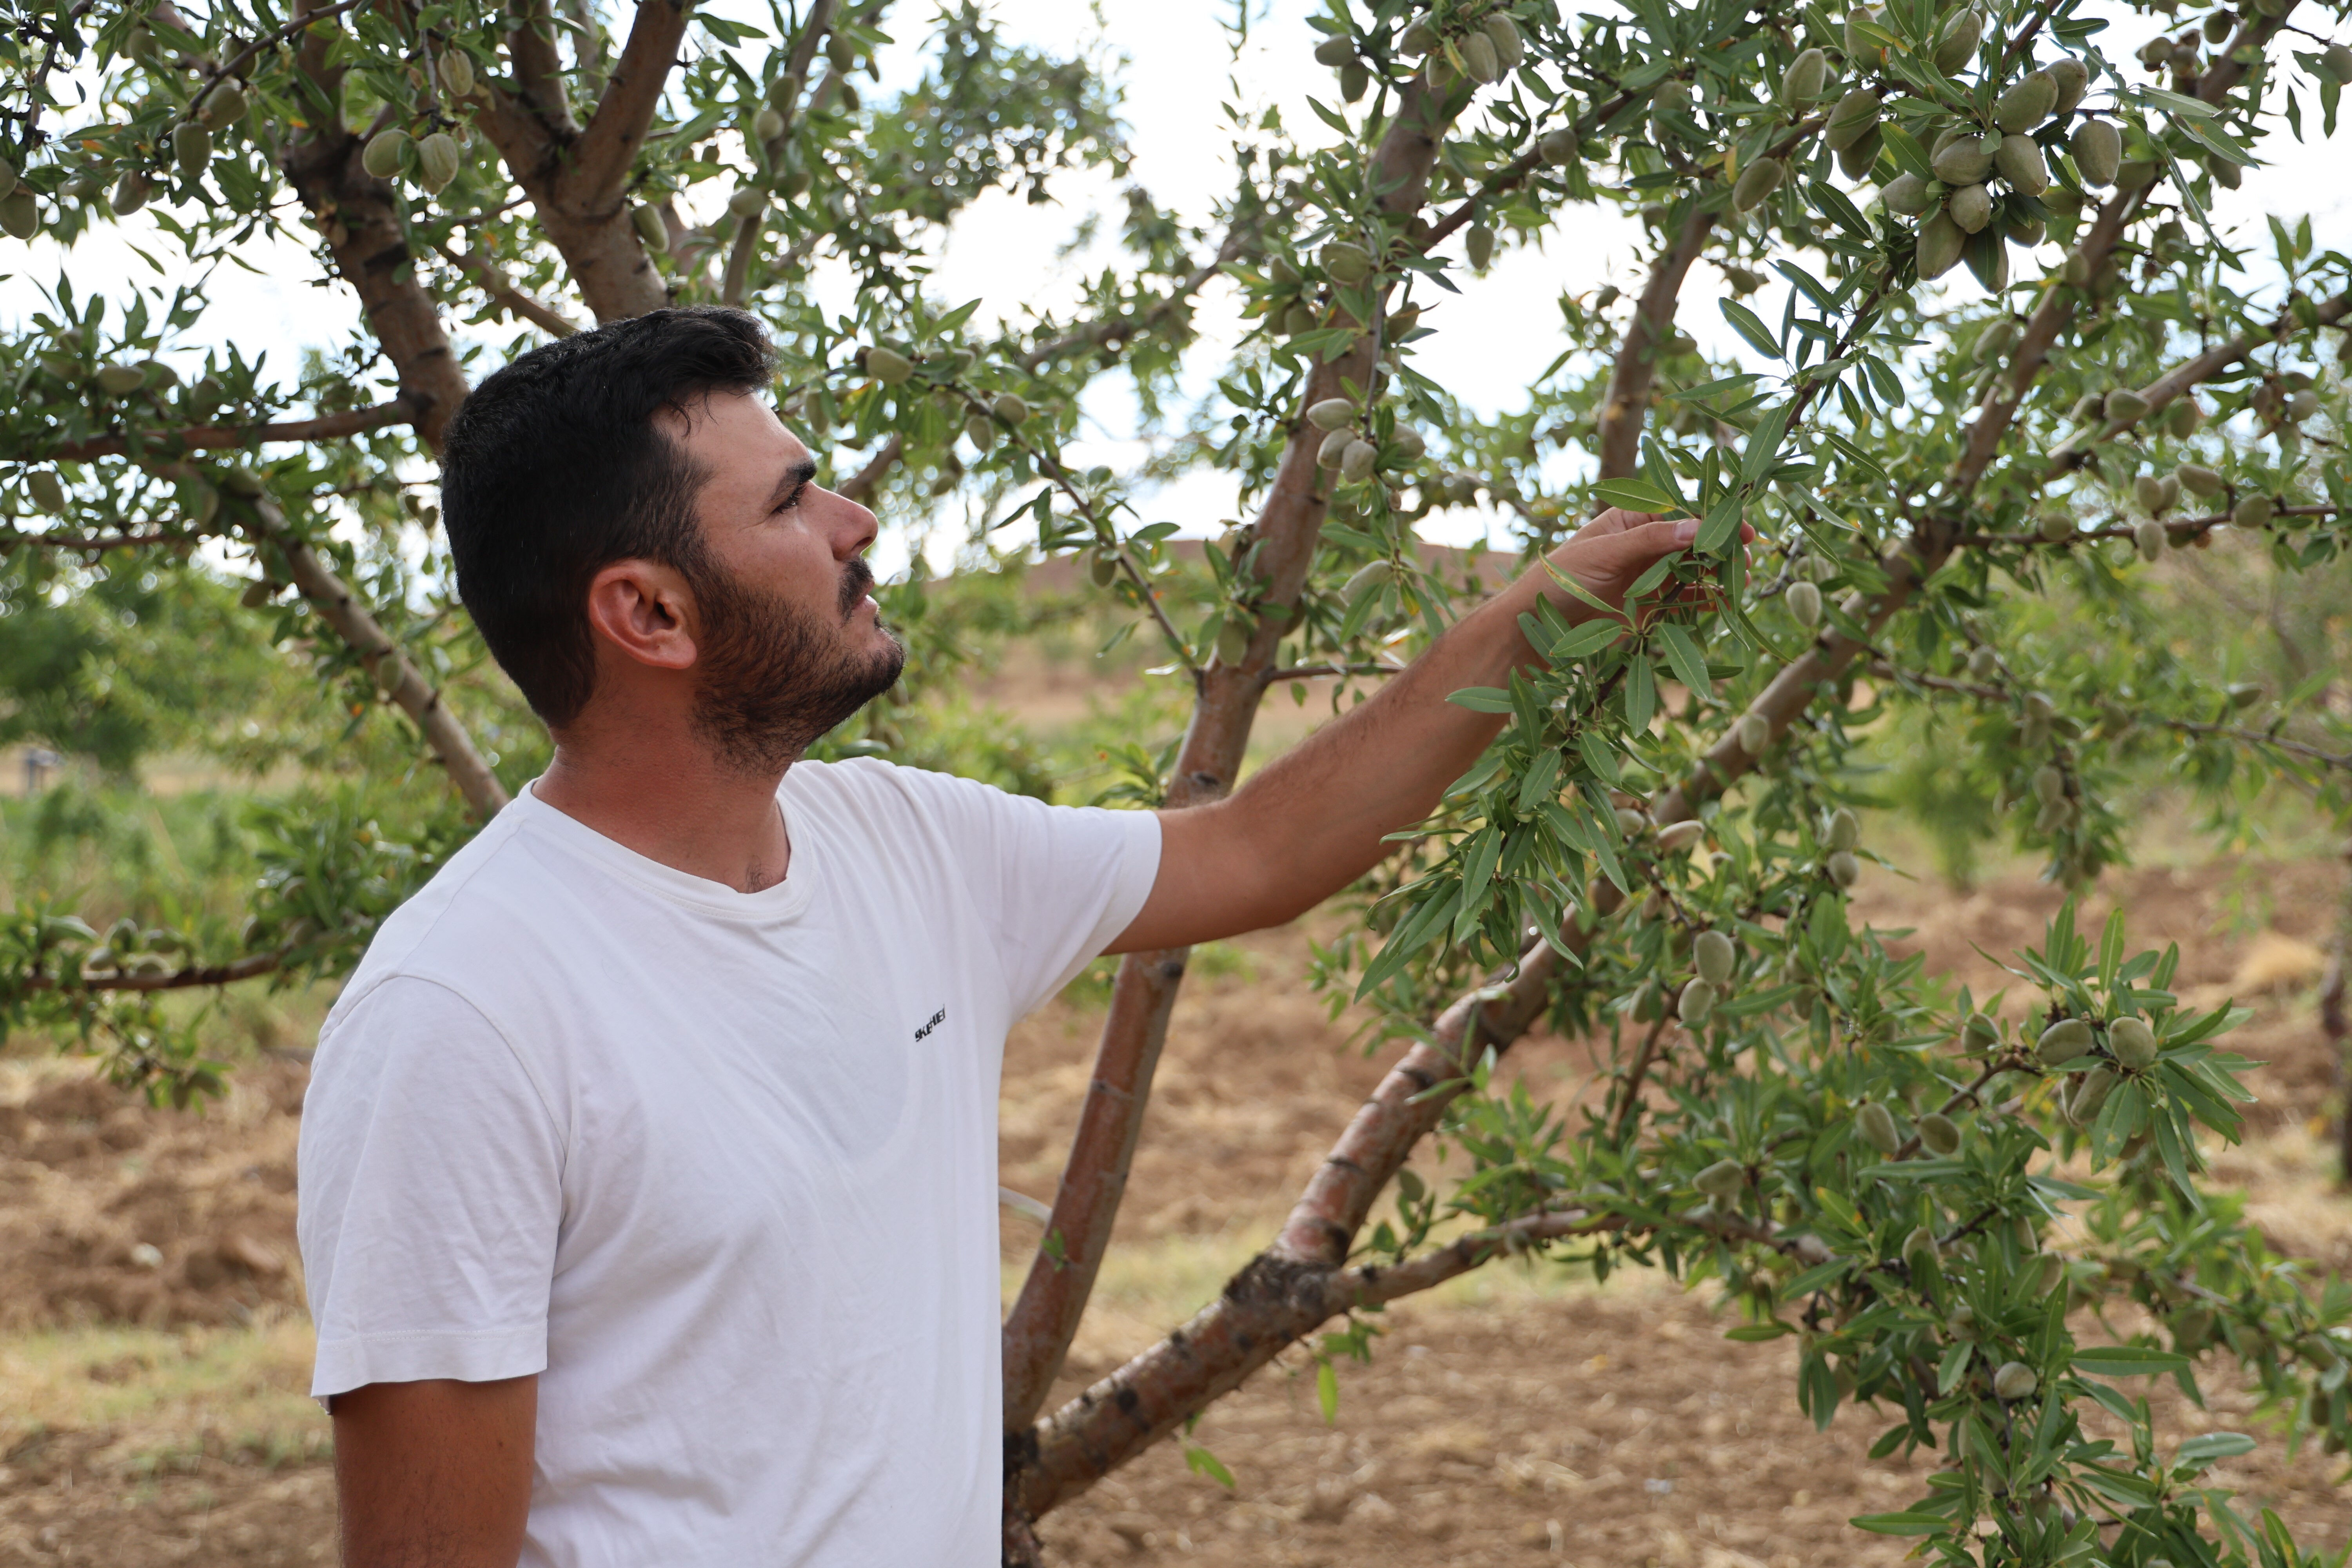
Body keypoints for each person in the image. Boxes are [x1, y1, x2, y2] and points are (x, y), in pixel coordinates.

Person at [297, 305, 1731, 1567]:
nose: (857, 521)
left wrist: (1532, 621)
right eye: (794, 501)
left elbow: (1259, 850)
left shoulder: (904, 844)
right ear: (650, 613)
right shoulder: (462, 1016)